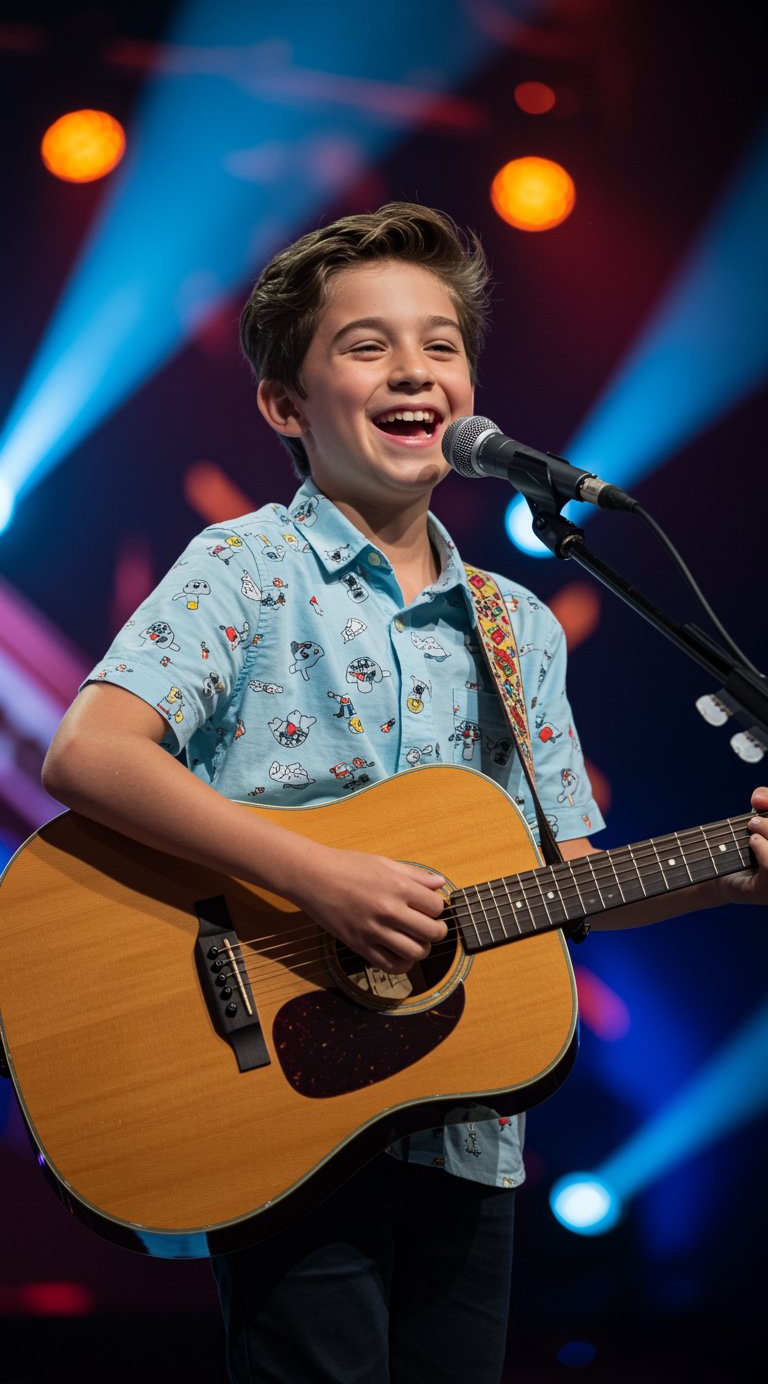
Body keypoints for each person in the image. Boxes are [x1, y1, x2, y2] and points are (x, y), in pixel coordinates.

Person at [41, 202, 768, 1384]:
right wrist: (317, 876)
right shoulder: (246, 567)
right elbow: (90, 753)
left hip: (467, 1121)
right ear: (287, 404)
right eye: (367, 344)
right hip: (280, 1097)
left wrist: (728, 877)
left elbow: (566, 881)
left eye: (440, 343)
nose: (416, 368)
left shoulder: (518, 623)